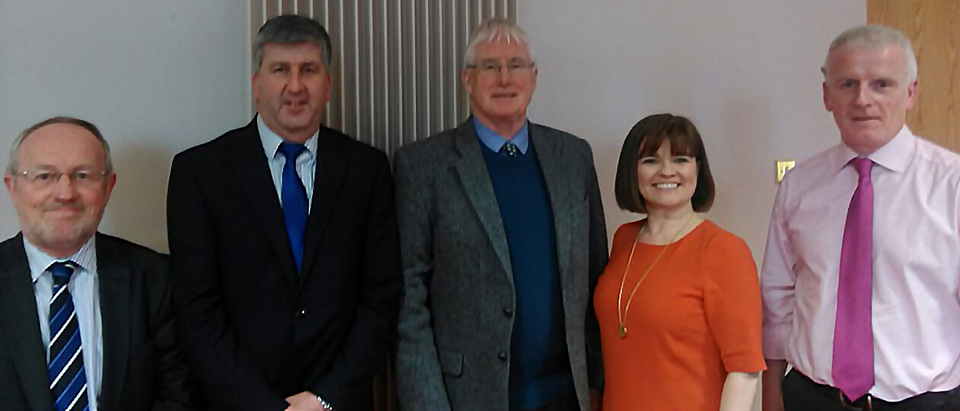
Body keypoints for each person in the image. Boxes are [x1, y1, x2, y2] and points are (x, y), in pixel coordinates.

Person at [166, 15, 402, 411]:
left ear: (328, 84)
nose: (295, 86)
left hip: (337, 404)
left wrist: (326, 398)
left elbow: (381, 299)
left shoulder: (367, 170)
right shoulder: (200, 173)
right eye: (280, 70)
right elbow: (196, 312)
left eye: (308, 70)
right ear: (257, 85)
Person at [393, 17, 607, 411]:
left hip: (565, 397)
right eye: (489, 66)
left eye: (516, 65)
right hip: (467, 399)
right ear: (467, 79)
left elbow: (596, 277)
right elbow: (410, 303)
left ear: (534, 77)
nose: (504, 78)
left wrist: (597, 385)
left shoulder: (573, 158)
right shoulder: (423, 167)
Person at [761, 25, 960, 411]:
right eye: (848, 84)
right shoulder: (798, 187)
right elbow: (777, 299)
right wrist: (771, 394)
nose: (863, 100)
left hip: (927, 402)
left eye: (881, 84)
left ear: (910, 93)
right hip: (811, 398)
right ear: (827, 96)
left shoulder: (952, 184)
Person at [0, 117, 193, 410]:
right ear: (12, 187)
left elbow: (178, 396)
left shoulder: (154, 278)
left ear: (107, 187)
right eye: (44, 176)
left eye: (82, 176)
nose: (65, 193)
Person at [594, 114, 765, 410]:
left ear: (698, 169)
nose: (666, 171)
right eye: (650, 160)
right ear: (632, 171)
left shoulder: (724, 251)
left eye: (681, 159)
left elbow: (745, 370)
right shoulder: (624, 239)